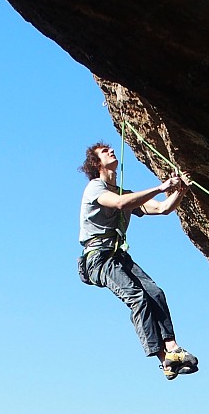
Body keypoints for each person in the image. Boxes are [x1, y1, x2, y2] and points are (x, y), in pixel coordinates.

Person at [78, 142, 198, 380]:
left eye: (111, 149)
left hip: (118, 256)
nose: (111, 151)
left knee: (155, 292)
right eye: (104, 152)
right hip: (98, 258)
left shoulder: (125, 192)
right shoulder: (95, 188)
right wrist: (162, 186)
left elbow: (163, 208)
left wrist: (180, 191)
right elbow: (121, 204)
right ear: (96, 163)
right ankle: (163, 359)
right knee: (137, 297)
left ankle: (173, 348)